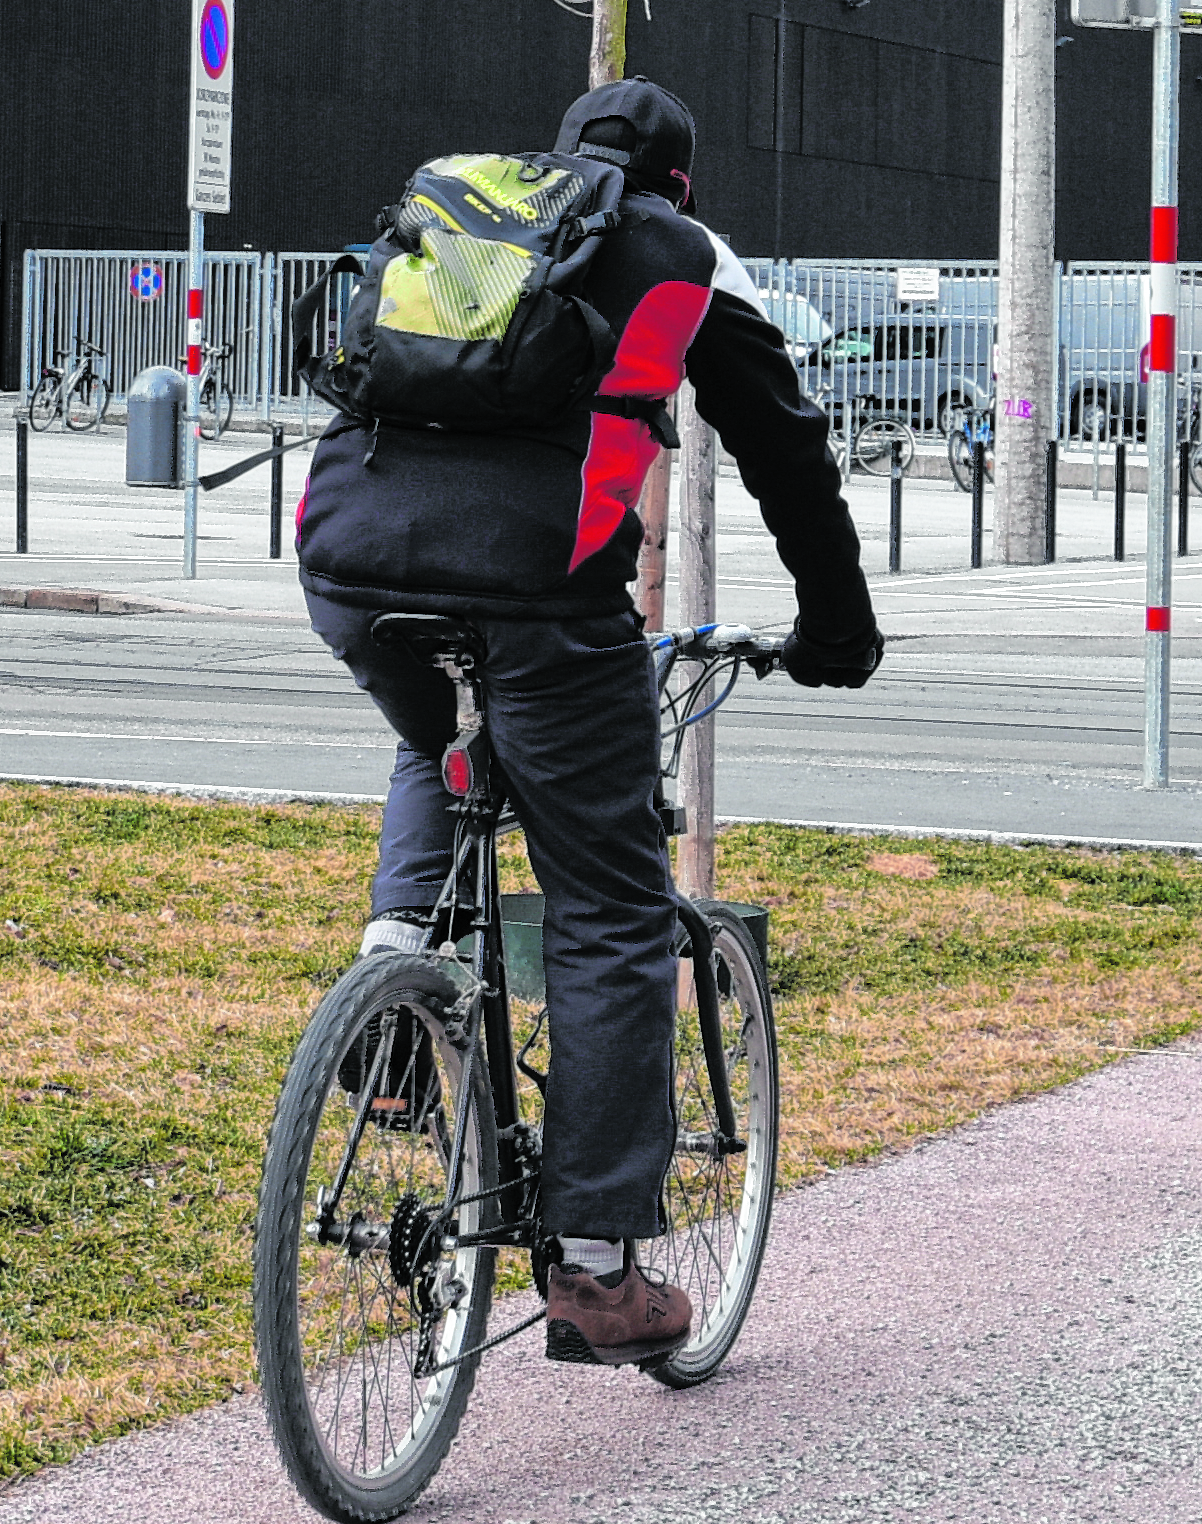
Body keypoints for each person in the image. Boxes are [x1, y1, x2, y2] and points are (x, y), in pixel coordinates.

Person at [295, 77, 882, 1362]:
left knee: (435, 733)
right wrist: (837, 628)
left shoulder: (465, 209)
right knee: (612, 906)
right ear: (681, 182)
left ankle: (393, 988)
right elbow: (787, 450)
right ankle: (600, 1266)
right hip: (541, 594)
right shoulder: (680, 252)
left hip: (345, 559)